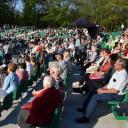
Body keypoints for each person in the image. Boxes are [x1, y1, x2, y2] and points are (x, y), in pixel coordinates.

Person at [75, 58, 128, 123]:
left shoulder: (123, 76)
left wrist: (103, 91)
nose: (114, 64)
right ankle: (85, 108)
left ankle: (86, 117)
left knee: (95, 97)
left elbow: (115, 90)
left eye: (116, 63)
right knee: (93, 91)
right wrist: (103, 88)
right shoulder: (118, 71)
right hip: (112, 92)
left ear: (120, 66)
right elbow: (111, 83)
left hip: (117, 95)